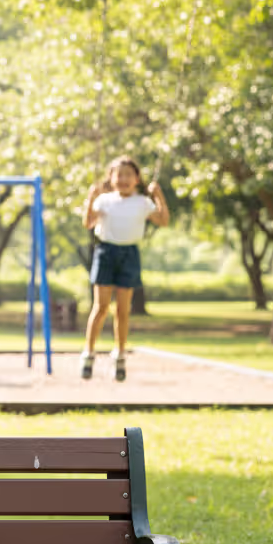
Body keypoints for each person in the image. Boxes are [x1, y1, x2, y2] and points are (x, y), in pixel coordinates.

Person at [80, 155, 171, 381]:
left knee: (122, 310)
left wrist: (159, 196)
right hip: (106, 252)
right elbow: (88, 223)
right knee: (101, 307)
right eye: (118, 174)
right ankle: (89, 353)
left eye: (128, 175)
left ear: (137, 179)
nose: (123, 179)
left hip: (129, 254)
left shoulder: (142, 202)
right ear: (110, 178)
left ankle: (120, 354)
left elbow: (163, 220)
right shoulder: (105, 200)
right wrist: (91, 199)